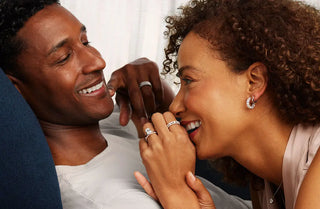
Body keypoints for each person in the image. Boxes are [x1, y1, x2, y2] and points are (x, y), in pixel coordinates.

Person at [0, 0, 252, 208]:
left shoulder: (114, 122)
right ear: (15, 89)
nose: (97, 61)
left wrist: (161, 99)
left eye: (85, 42)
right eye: (64, 57)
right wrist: (176, 190)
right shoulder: (104, 200)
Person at [134, 0, 320, 209]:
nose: (174, 107)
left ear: (254, 81)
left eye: (188, 80)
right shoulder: (265, 184)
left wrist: (178, 196)